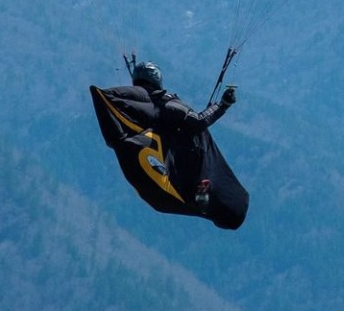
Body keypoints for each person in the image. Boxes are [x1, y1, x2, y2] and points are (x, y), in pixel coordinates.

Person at [92, 56, 248, 227]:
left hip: (160, 184)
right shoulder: (167, 105)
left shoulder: (135, 108)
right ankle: (199, 189)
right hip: (183, 166)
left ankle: (197, 192)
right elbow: (199, 122)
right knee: (196, 138)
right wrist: (223, 105)